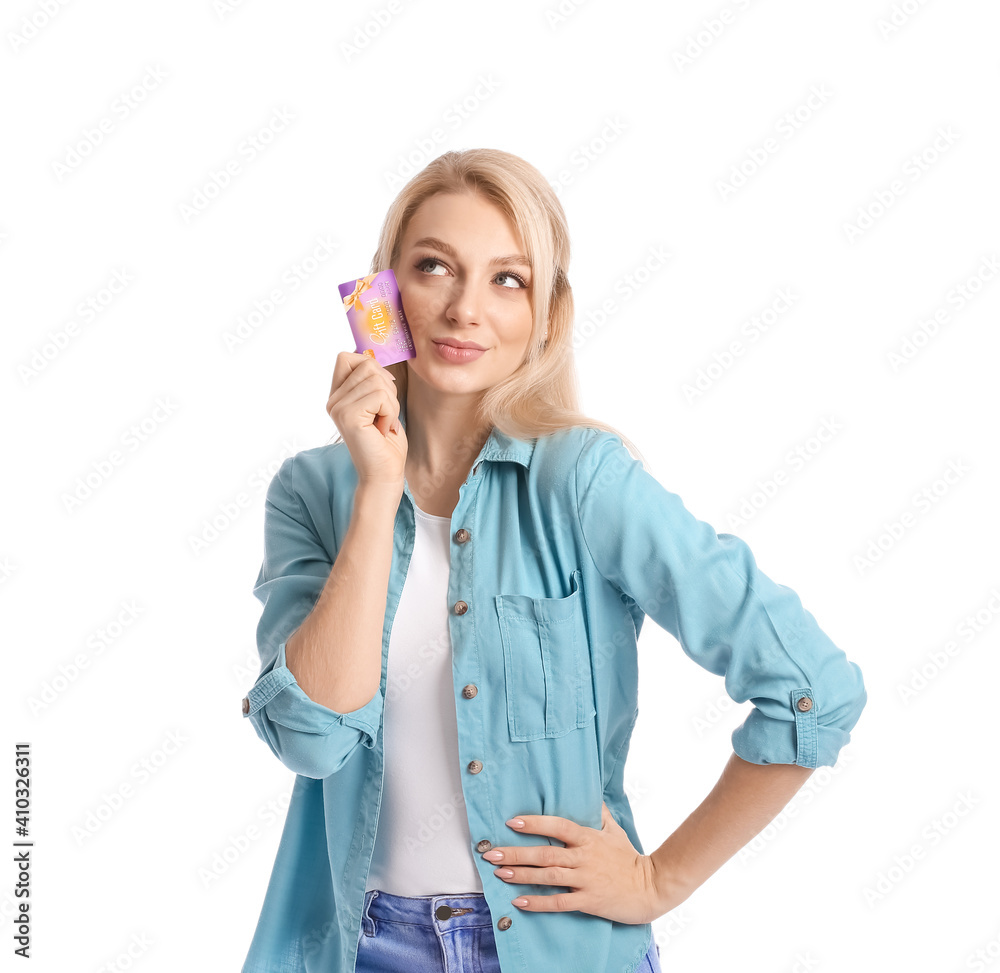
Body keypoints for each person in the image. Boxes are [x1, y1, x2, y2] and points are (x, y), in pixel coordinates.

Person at [239, 148, 867, 973]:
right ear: (381, 296)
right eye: (434, 268)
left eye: (508, 279)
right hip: (359, 947)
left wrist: (655, 881)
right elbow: (311, 741)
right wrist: (375, 489)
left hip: (555, 948)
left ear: (544, 311)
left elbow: (814, 689)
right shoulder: (311, 491)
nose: (466, 308)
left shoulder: (585, 479)